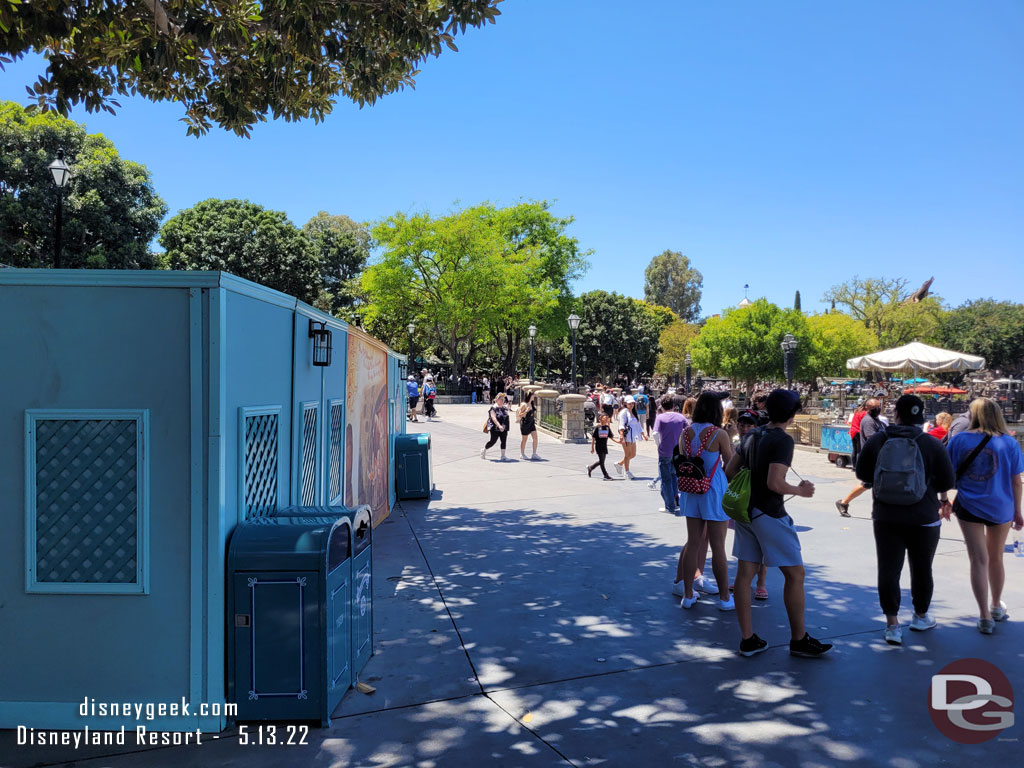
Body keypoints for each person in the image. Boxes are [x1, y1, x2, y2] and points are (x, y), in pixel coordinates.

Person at [726, 389, 833, 658]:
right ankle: (799, 639)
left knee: (744, 574)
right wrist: (800, 491)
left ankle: (747, 639)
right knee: (795, 575)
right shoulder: (782, 440)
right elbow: (775, 483)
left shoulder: (751, 435)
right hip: (770, 513)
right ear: (792, 413)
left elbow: (730, 471)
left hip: (746, 513)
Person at [855, 395, 955, 645]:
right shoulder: (932, 443)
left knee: (889, 568)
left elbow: (862, 473)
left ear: (896, 414)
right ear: (921, 415)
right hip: (924, 517)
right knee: (922, 569)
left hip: (886, 516)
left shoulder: (880, 439)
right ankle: (920, 616)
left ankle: (892, 625)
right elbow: (947, 482)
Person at [945, 398, 1024, 634]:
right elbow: (1016, 481)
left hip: (969, 505)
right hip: (1001, 505)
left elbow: (946, 474)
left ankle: (984, 616)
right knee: (996, 557)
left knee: (978, 559)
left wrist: (943, 499)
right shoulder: (1009, 443)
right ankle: (996, 605)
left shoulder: (959, 440)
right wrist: (1018, 511)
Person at [677, 393, 736, 611]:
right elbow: (730, 462)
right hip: (714, 490)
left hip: (691, 490)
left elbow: (684, 458)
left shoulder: (685, 432)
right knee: (718, 546)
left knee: (693, 542)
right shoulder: (719, 434)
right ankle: (723, 598)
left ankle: (688, 594)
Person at [835, 398, 884, 517]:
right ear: (868, 408)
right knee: (867, 484)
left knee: (873, 484)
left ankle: (844, 502)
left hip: (878, 457)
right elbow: (872, 438)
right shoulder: (868, 421)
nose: (878, 409)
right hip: (872, 458)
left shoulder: (876, 420)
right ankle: (844, 502)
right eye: (875, 407)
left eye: (878, 406)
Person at [653, 394, 688, 514]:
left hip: (665, 452)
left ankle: (669, 506)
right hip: (677, 452)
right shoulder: (680, 417)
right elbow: (688, 430)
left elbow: (655, 434)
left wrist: (659, 445)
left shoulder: (660, 418)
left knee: (665, 479)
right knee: (674, 477)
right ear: (673, 405)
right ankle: (676, 501)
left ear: (661, 406)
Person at [614, 395, 646, 479]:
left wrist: (643, 434)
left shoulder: (633, 412)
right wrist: (621, 434)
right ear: (625, 404)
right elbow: (621, 424)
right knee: (627, 454)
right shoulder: (624, 412)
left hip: (633, 436)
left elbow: (638, 424)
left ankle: (619, 464)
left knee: (633, 454)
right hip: (626, 435)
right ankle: (627, 471)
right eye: (629, 403)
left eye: (632, 403)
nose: (631, 405)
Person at [481, 392, 511, 461]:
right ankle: (484, 449)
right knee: (493, 441)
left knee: (504, 440)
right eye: (501, 399)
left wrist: (503, 426)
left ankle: (503, 456)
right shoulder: (493, 408)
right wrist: (499, 425)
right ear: (496, 400)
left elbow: (506, 417)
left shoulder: (504, 408)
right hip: (495, 428)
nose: (502, 400)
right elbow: (493, 418)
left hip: (504, 428)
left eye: (503, 399)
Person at [588, 413, 617, 480]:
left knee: (601, 461)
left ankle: (591, 467)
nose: (606, 419)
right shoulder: (597, 427)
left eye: (607, 418)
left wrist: (618, 442)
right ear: (601, 418)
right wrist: (592, 447)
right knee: (602, 462)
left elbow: (611, 436)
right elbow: (593, 438)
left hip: (604, 446)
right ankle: (605, 475)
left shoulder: (607, 427)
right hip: (598, 446)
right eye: (605, 418)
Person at [517, 391, 541, 461]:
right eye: (533, 395)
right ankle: (522, 454)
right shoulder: (524, 404)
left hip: (531, 423)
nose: (534, 396)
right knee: (524, 440)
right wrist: (526, 411)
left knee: (535, 438)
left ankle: (534, 453)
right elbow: (520, 415)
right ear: (529, 395)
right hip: (525, 424)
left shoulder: (532, 403)